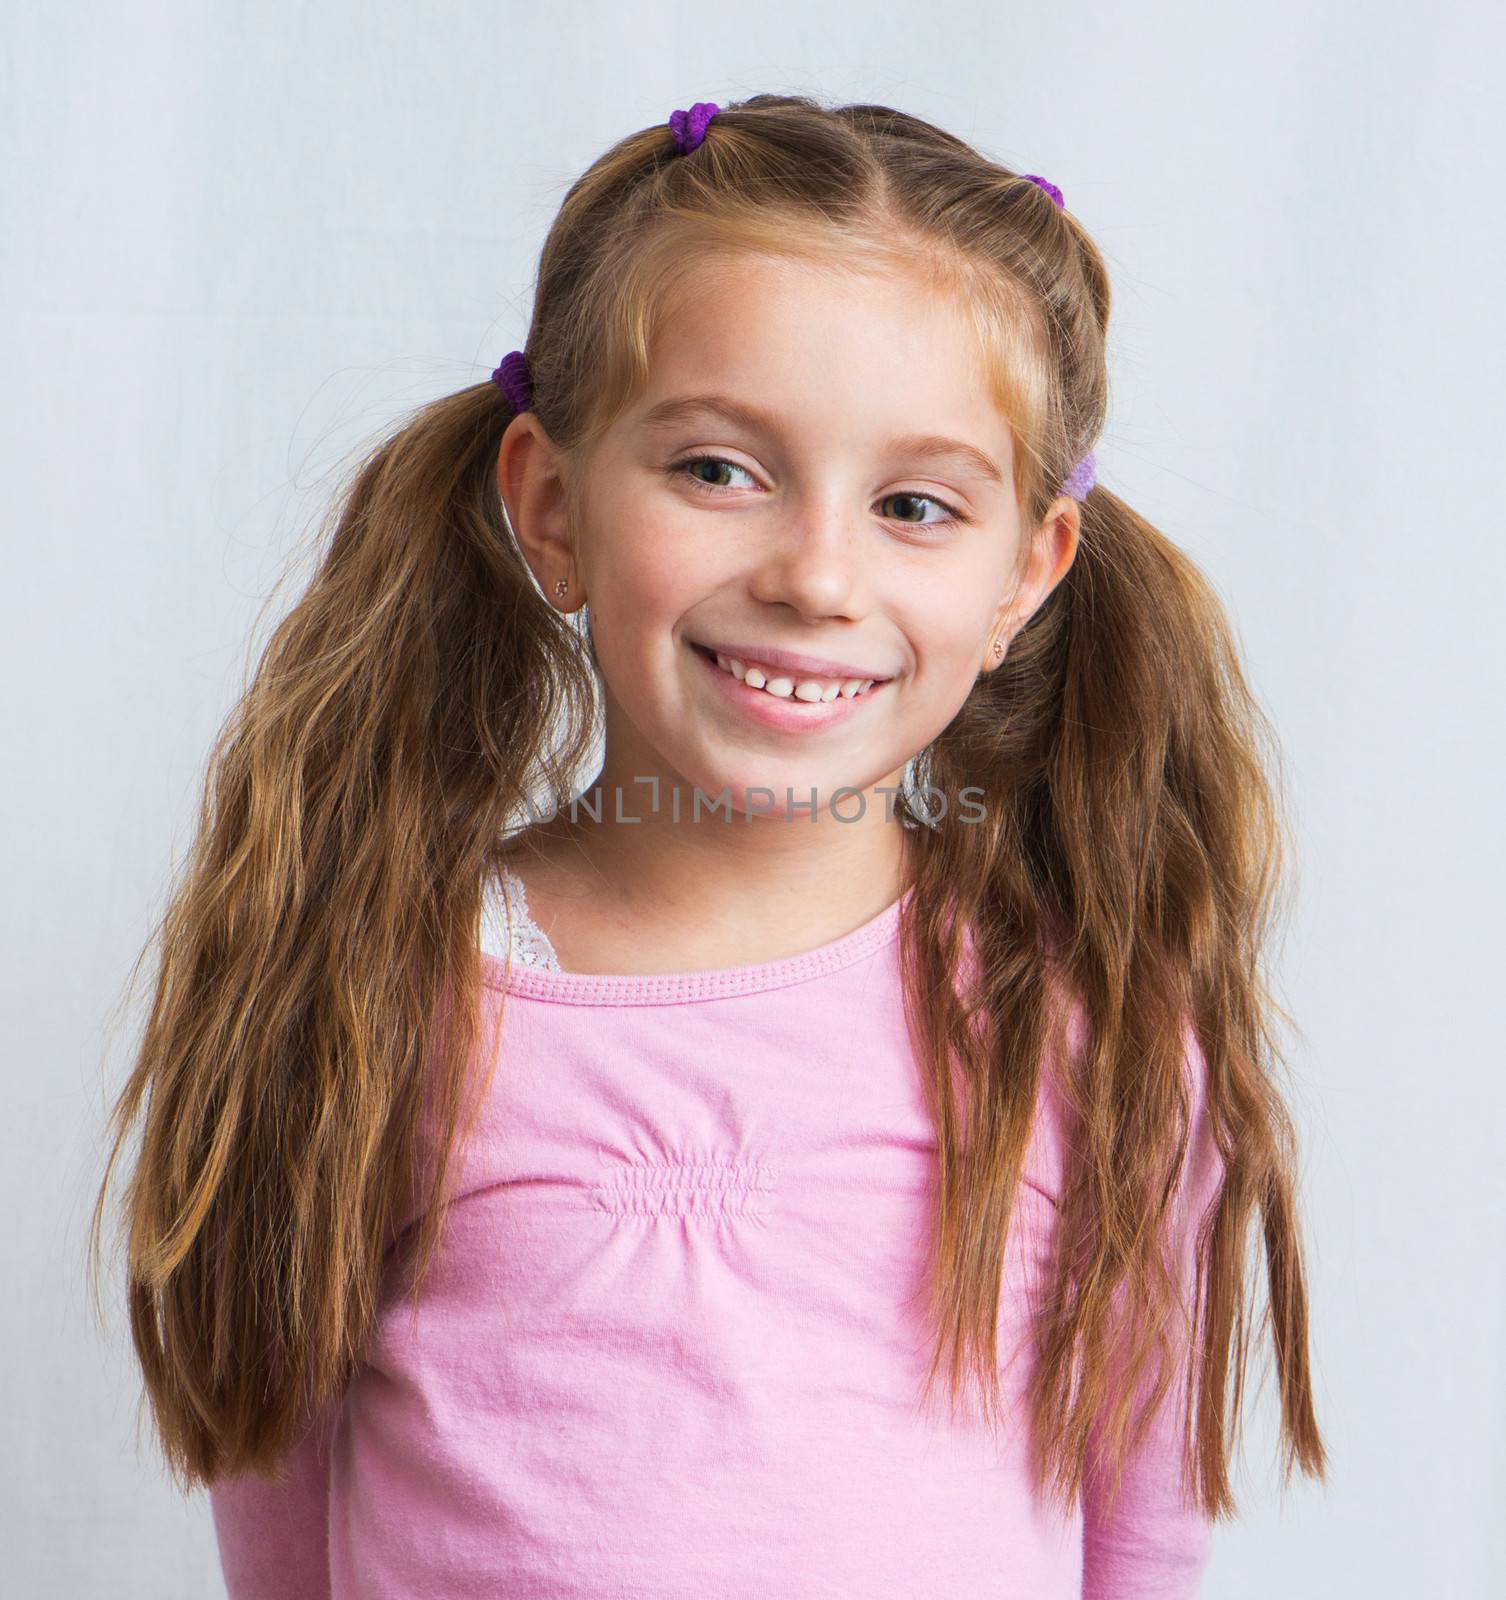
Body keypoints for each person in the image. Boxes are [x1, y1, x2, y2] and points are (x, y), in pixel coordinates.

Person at [92, 93, 1327, 1597]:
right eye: (718, 472)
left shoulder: (1081, 1024)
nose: (816, 573)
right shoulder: (371, 994)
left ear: (1024, 576)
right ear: (551, 505)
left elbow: (1138, 1536)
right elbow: (275, 1506)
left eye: (914, 505)